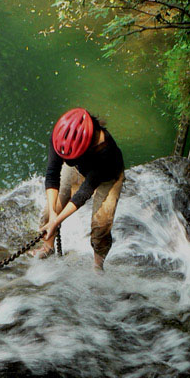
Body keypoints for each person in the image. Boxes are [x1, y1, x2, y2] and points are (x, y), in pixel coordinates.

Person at [34, 107, 125, 269]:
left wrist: (58, 221)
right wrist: (54, 216)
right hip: (78, 164)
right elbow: (52, 173)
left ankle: (98, 266)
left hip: (107, 176)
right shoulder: (61, 135)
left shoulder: (106, 150)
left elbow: (84, 192)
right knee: (50, 211)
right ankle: (47, 247)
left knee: (100, 226)